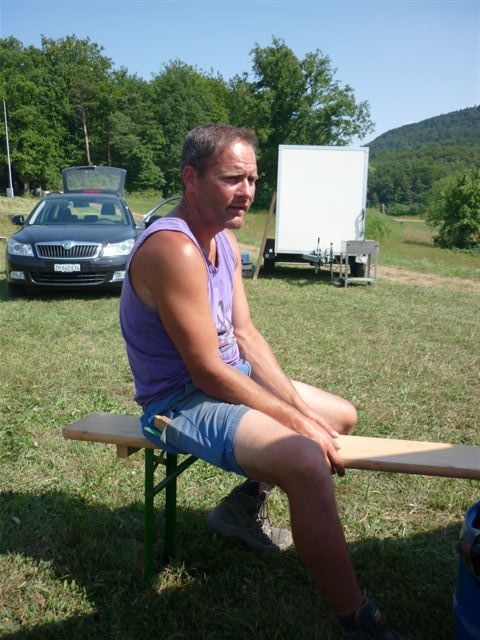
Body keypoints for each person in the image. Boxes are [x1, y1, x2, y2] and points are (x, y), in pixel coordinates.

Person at [119, 123, 407, 639]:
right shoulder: (174, 248)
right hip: (179, 400)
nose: (247, 191)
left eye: (252, 179)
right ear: (191, 178)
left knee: (338, 417)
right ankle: (359, 619)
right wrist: (297, 425)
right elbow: (207, 370)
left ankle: (241, 508)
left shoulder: (224, 241)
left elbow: (246, 335)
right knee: (307, 461)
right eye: (233, 178)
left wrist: (301, 411)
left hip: (227, 377)